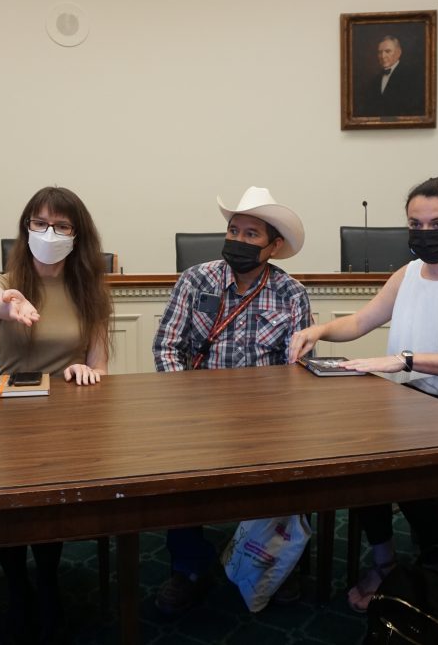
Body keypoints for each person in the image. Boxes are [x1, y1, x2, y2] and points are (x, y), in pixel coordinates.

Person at [287, 177, 438, 612]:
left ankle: (433, 558)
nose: (425, 233)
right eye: (416, 224)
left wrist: (403, 360)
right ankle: (388, 560)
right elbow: (360, 322)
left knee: (394, 450)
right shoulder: (408, 274)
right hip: (413, 408)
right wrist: (319, 330)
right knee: (355, 448)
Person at [152, 185, 311, 614]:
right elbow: (167, 347)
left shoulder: (291, 293)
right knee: (178, 470)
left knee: (293, 461)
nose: (238, 240)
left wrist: (272, 413)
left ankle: (277, 558)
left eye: (251, 234)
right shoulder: (196, 280)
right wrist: (184, 402)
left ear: (273, 246)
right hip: (197, 412)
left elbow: (297, 366)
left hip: (265, 418)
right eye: (233, 231)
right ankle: (188, 566)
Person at [0, 185, 112, 643]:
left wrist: (87, 370)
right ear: (26, 227)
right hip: (11, 412)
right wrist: (7, 303)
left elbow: (100, 366)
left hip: (69, 413)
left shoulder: (90, 290)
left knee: (50, 495)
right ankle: (17, 585)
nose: (48, 233)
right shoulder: (4, 280)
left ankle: (48, 580)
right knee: (8, 494)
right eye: (40, 223)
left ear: (78, 234)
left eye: (61, 225)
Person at [355, 34, 425, 117]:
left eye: (387, 51)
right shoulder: (374, 81)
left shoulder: (411, 77)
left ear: (398, 53)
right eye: (380, 52)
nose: (382, 56)